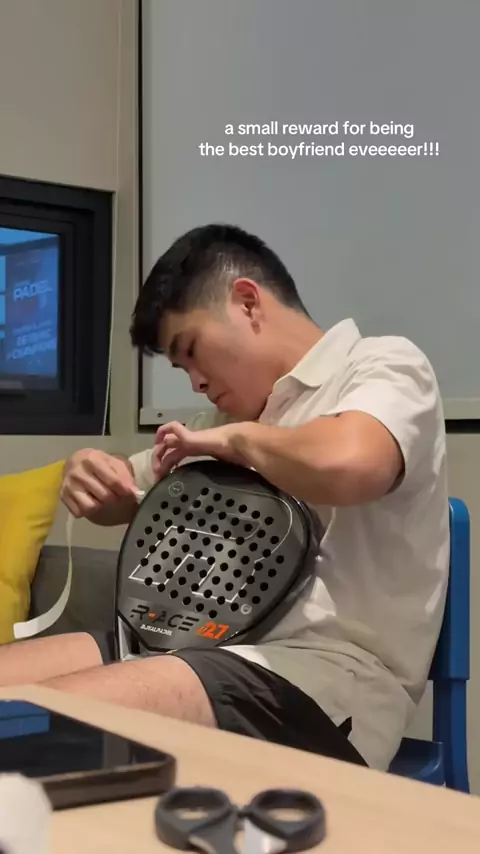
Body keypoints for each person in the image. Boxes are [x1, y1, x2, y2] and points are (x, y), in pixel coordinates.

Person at [0, 224, 449, 771]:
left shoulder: (384, 366)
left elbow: (353, 463)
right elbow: (126, 489)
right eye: (181, 368)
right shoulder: (217, 422)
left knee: (38, 725)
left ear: (248, 302)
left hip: (323, 676)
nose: (195, 382)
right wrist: (89, 473)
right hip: (189, 644)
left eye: (191, 351)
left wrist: (238, 441)